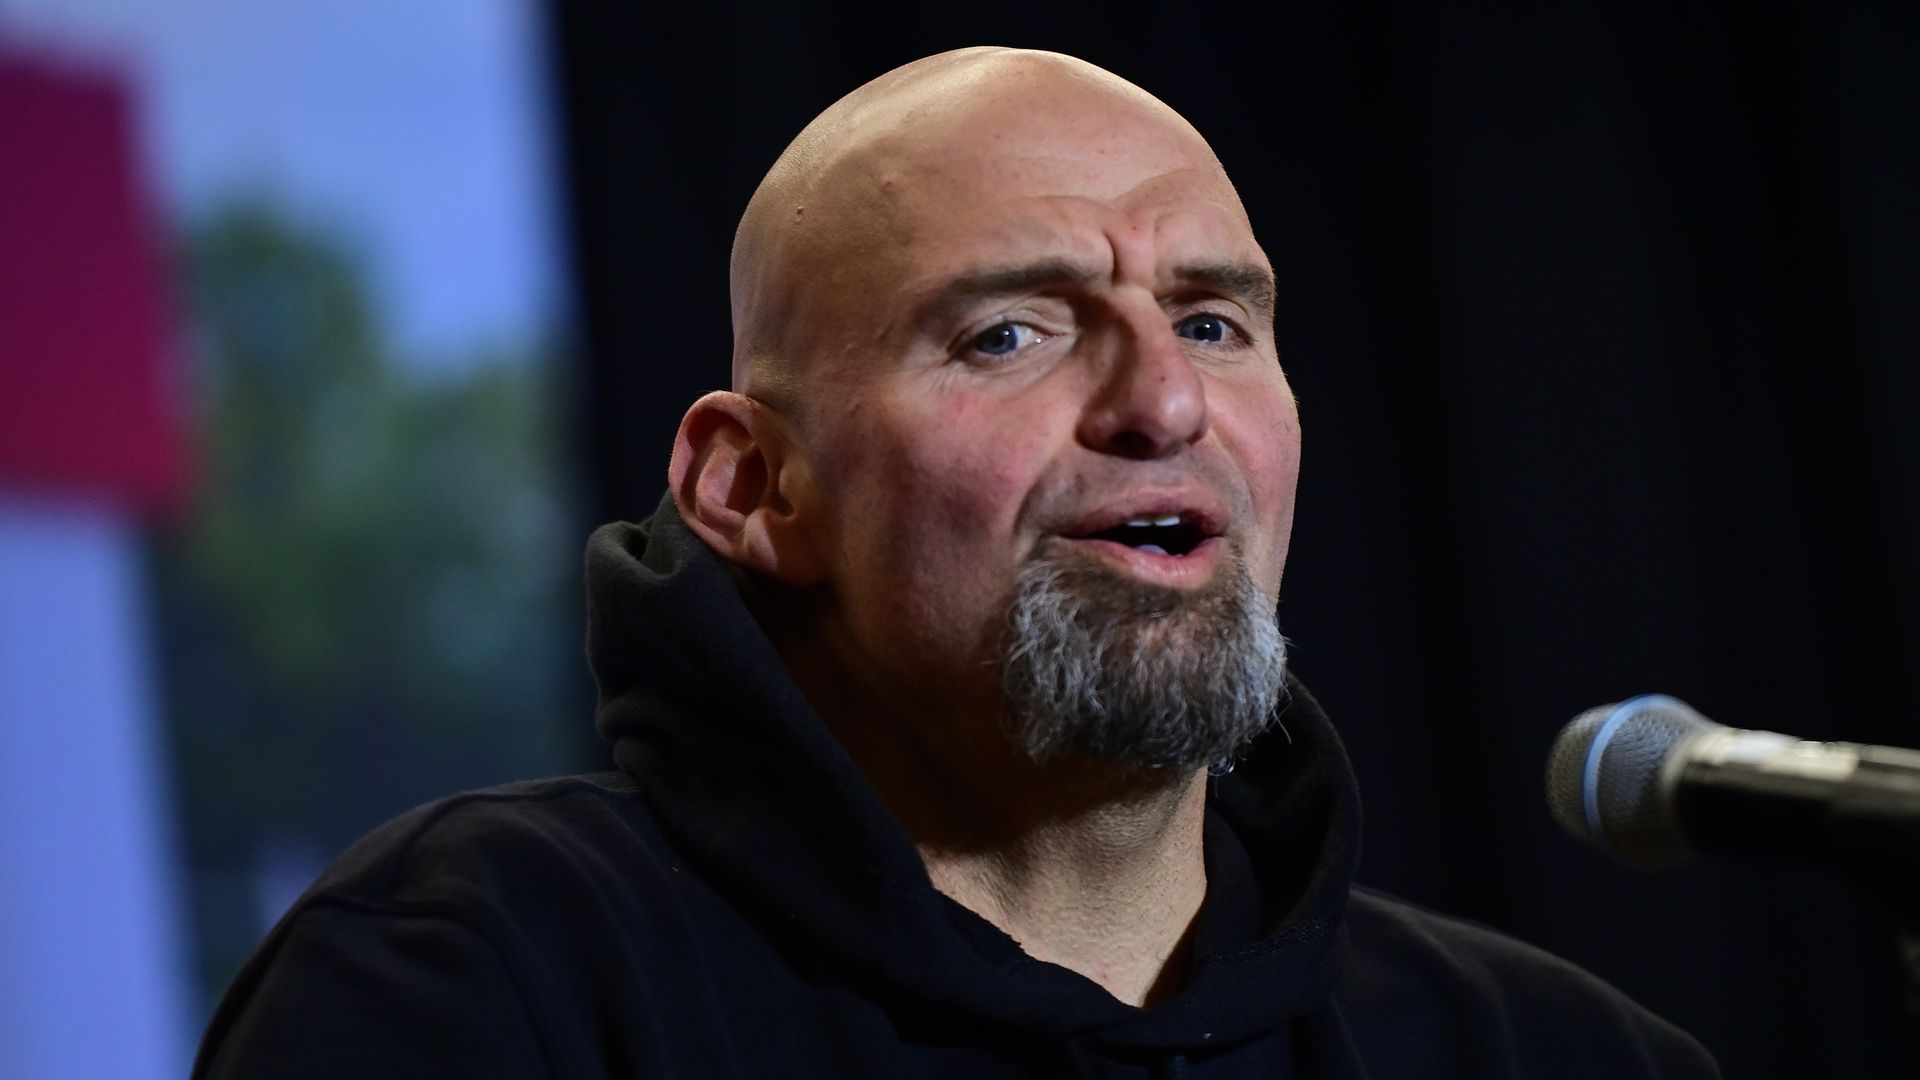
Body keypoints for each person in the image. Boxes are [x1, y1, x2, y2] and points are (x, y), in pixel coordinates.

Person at [194, 47, 1719, 1077]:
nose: (1164, 402)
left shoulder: (1556, 1051)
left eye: (1212, 322)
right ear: (751, 488)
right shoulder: (490, 977)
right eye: (1011, 332)